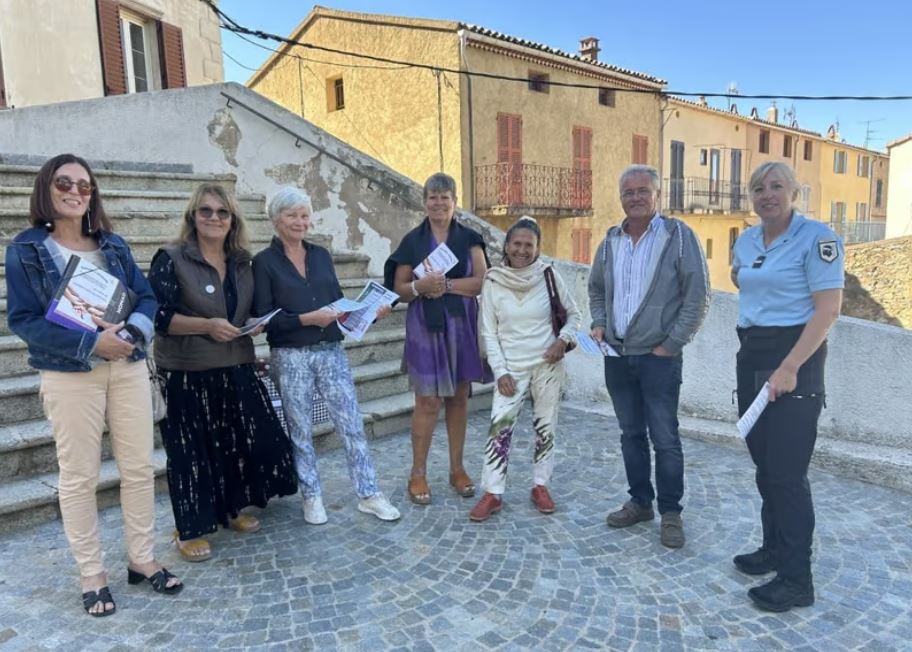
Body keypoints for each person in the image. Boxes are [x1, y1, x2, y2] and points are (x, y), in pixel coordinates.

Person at [5, 154, 182, 616]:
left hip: (126, 365)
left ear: (92, 196)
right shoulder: (25, 249)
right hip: (69, 374)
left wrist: (131, 334)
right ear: (46, 189)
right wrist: (90, 343)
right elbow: (23, 321)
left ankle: (141, 559)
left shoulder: (114, 245)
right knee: (80, 476)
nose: (75, 192)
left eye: (84, 187)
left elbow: (145, 297)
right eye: (64, 183)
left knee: (140, 468)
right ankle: (92, 573)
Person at [148, 183, 297, 562]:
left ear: (233, 220)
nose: (214, 218)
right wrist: (206, 326)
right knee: (190, 454)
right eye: (206, 211)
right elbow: (158, 316)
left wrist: (252, 324)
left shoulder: (242, 262)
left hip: (236, 365)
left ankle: (232, 510)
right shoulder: (171, 257)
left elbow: (243, 310)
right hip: (187, 370)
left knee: (237, 443)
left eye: (222, 212)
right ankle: (190, 528)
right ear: (193, 217)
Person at [730, 162, 843, 612]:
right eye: (758, 188)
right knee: (764, 466)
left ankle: (797, 579)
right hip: (752, 356)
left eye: (776, 186)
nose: (766, 194)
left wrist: (791, 365)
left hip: (795, 360)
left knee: (787, 475)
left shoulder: (818, 238)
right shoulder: (747, 238)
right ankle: (773, 548)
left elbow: (828, 309)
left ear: (794, 192)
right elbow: (741, 275)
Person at [252, 187, 400, 524]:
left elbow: (337, 302)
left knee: (351, 423)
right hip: (291, 355)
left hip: (331, 350)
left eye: (304, 215)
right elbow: (264, 318)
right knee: (300, 428)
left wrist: (368, 314)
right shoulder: (263, 262)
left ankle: (368, 493)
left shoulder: (320, 255)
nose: (300, 222)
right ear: (276, 220)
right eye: (292, 215)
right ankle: (312, 495)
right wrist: (307, 319)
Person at [588, 164, 710, 549]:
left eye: (643, 191)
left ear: (657, 195)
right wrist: (600, 322)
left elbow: (698, 296)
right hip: (618, 357)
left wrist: (671, 345)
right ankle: (641, 502)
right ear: (620, 198)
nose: (636, 197)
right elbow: (595, 290)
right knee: (630, 435)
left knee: (665, 438)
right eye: (628, 192)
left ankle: (671, 512)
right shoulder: (609, 242)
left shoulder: (678, 238)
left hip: (659, 358)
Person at [384, 173, 493, 505]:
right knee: (427, 401)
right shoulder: (413, 242)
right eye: (433, 196)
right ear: (424, 202)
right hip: (425, 326)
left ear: (455, 201)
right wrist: (419, 287)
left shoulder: (470, 238)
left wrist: (445, 286)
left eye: (445, 196)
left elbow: (483, 281)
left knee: (459, 397)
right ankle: (417, 473)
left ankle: (457, 469)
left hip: (460, 324)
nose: (439, 202)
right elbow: (399, 290)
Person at [469, 217, 580, 521]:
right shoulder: (493, 281)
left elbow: (575, 315)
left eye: (528, 245)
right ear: (506, 246)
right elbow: (488, 332)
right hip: (510, 369)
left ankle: (540, 486)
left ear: (537, 248)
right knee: (499, 430)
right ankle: (493, 493)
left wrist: (563, 340)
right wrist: (500, 371)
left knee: (546, 428)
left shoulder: (549, 275)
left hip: (547, 365)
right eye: (516, 244)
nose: (522, 250)